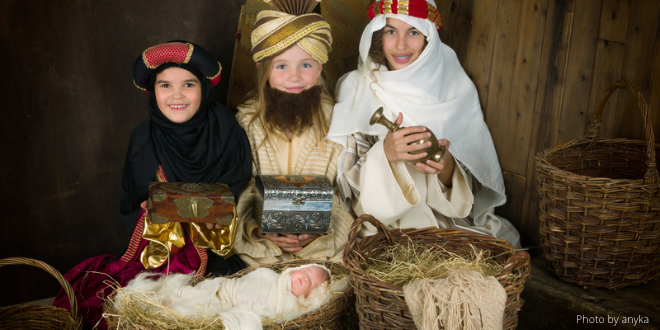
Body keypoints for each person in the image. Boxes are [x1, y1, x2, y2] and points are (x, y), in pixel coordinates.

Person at [52, 41, 253, 329]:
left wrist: (174, 205)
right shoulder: (143, 138)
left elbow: (239, 190)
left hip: (221, 245)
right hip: (163, 250)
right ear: (153, 91)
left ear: (204, 88)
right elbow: (135, 203)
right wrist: (162, 210)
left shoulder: (228, 130)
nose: (177, 95)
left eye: (189, 84)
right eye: (165, 85)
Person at [327, 0, 521, 247]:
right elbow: (344, 189)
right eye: (390, 31)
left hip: (442, 225)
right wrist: (385, 154)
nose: (401, 45)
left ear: (429, 39)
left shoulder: (454, 86)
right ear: (377, 36)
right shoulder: (356, 87)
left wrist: (446, 165)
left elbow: (470, 193)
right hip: (381, 228)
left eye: (413, 32)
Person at [232, 0, 355, 266]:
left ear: (320, 67)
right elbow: (244, 189)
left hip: (322, 249)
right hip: (262, 248)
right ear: (263, 70)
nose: (294, 77)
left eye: (306, 65)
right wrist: (258, 230)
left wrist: (320, 230)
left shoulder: (339, 122)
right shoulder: (245, 122)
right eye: (282, 66)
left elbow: (345, 193)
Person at [116, 264, 332, 327]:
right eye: (305, 272)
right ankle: (161, 298)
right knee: (189, 292)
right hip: (223, 289)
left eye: (311, 283)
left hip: (225, 305)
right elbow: (247, 279)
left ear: (312, 295)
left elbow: (273, 315)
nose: (305, 278)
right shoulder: (270, 275)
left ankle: (166, 311)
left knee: (195, 310)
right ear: (293, 270)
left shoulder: (290, 305)